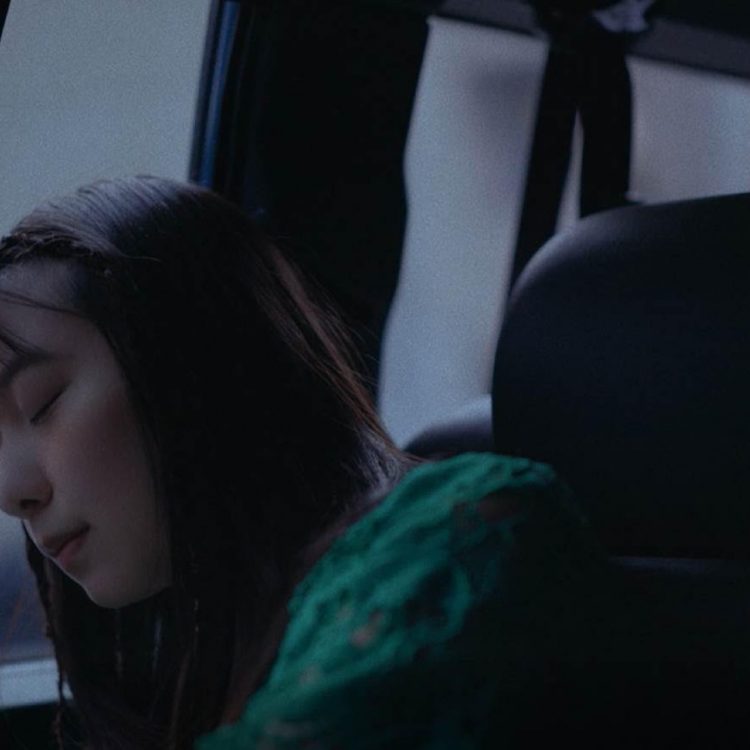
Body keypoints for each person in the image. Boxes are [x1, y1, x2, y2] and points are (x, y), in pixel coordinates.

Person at [0, 177, 604, 749]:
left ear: (193, 363)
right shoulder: (198, 642)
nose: (10, 492)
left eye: (41, 404)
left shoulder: (465, 532)